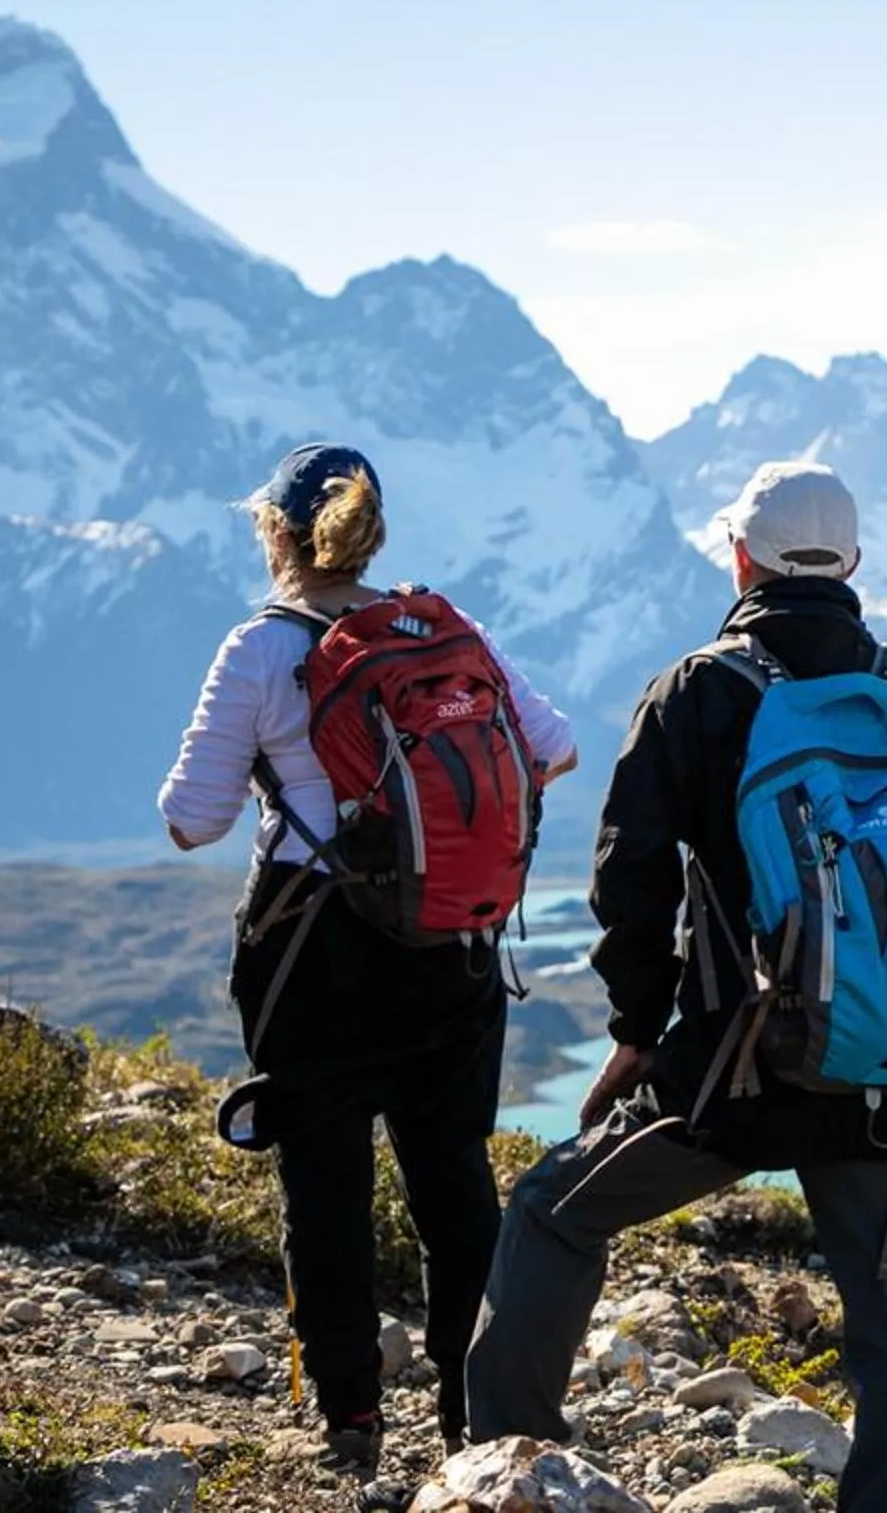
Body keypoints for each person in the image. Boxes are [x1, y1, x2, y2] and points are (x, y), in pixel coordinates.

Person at [465, 461, 887, 1513]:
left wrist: (636, 1028)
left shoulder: (697, 692)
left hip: (734, 1071)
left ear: (741, 558)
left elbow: (631, 875)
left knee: (551, 1212)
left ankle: (508, 1473)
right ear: (852, 562)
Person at [160, 442, 579, 1473]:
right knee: (456, 1185)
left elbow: (193, 819)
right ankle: (474, 1416)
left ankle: (350, 1420)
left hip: (316, 949)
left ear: (276, 531)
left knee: (327, 1186)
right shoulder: (444, 626)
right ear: (371, 530)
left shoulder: (261, 649)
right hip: (453, 946)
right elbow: (556, 747)